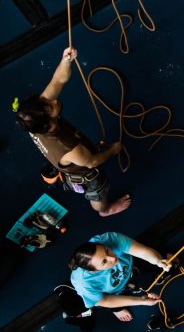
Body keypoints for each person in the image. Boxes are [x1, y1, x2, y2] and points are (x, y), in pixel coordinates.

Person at [13, 46, 131, 216]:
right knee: (97, 194)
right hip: (84, 172)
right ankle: (105, 211)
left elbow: (58, 80)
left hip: (71, 157)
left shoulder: (34, 119)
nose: (54, 102)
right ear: (47, 123)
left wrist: (65, 61)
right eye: (50, 108)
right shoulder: (66, 146)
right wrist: (113, 150)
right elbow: (92, 162)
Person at [68, 232, 171, 323]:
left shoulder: (109, 239)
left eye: (107, 250)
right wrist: (141, 300)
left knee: (156, 257)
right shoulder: (83, 283)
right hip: (112, 292)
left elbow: (142, 251)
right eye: (104, 261)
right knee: (104, 304)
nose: (112, 258)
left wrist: (157, 261)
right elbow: (105, 300)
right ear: (93, 271)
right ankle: (117, 310)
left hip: (129, 266)